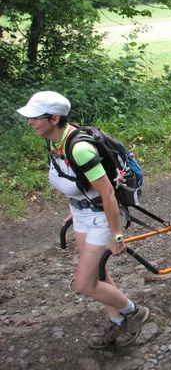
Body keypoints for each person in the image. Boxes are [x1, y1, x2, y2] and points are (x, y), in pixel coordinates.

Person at [17, 91, 149, 349]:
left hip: (102, 217)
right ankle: (116, 319)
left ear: (54, 118)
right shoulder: (55, 142)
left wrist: (117, 235)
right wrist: (77, 206)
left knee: (84, 284)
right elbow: (79, 184)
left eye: (35, 118)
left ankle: (133, 312)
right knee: (99, 273)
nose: (30, 122)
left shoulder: (80, 149)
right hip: (83, 214)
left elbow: (108, 193)